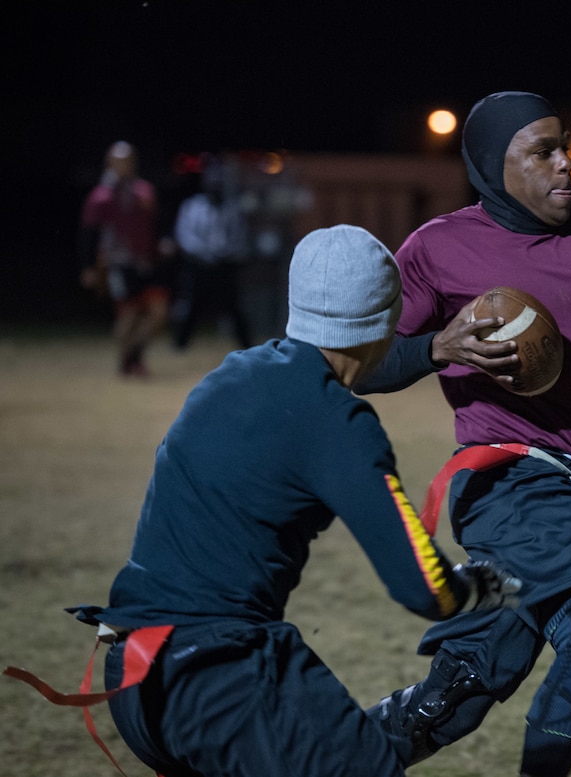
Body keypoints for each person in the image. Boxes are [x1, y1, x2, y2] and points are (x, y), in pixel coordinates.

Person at [66, 225, 521, 777]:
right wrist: (480, 586)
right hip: (216, 679)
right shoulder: (338, 421)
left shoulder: (232, 375)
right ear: (385, 319)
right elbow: (423, 587)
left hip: (134, 677)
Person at [355, 91, 571, 776]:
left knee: (467, 687)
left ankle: (336, 754)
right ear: (490, 167)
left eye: (563, 144)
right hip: (509, 478)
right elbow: (359, 359)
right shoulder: (437, 248)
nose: (565, 162)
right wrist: (436, 349)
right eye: (541, 152)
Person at [79, 140, 172, 376]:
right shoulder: (101, 196)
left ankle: (134, 355)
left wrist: (163, 244)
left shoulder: (144, 191)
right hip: (117, 263)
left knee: (158, 313)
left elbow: (157, 223)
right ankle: (126, 363)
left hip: (147, 262)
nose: (123, 166)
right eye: (118, 161)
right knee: (128, 314)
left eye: (127, 161)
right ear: (109, 163)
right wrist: (88, 266)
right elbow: (89, 233)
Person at [171, 154, 253, 350]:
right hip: (198, 264)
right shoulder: (192, 206)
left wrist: (225, 252)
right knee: (190, 305)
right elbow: (184, 235)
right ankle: (180, 344)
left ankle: (246, 344)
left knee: (234, 307)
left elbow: (240, 236)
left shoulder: (232, 208)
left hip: (224, 265)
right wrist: (204, 253)